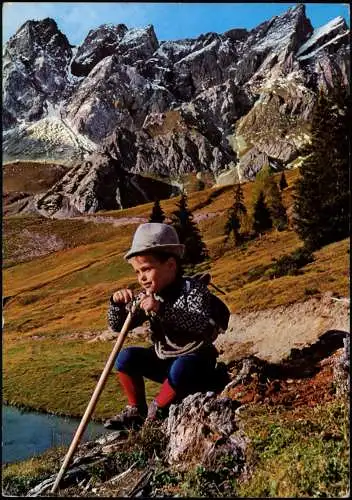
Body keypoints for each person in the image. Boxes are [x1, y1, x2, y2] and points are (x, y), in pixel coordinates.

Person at [104, 222, 220, 430]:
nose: (142, 278)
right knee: (126, 357)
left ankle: (157, 411)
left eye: (147, 269)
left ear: (170, 265)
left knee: (182, 367)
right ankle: (135, 410)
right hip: (164, 360)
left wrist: (161, 309)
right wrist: (116, 304)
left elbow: (198, 322)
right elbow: (118, 326)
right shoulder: (148, 296)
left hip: (196, 363)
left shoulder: (193, 289)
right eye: (137, 272)